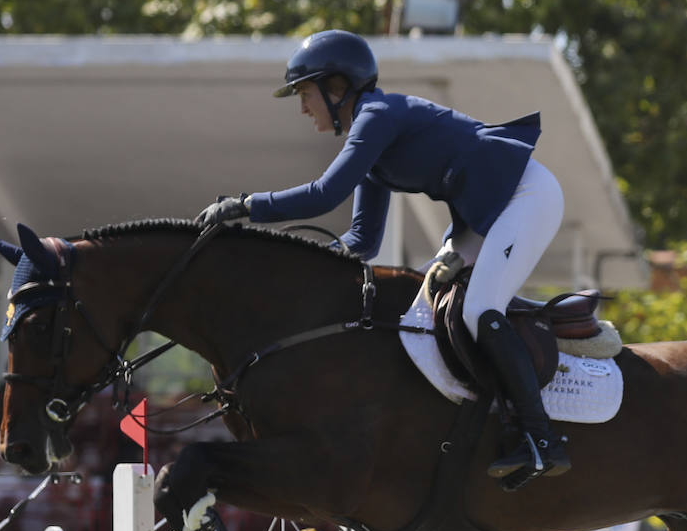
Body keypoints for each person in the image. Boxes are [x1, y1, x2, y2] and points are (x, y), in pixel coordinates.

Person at [198, 29, 570, 489]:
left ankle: (541, 438)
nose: (303, 107)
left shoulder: (377, 116)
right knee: (430, 305)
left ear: (337, 88)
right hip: (487, 213)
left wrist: (246, 205)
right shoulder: (374, 145)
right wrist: (295, 273)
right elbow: (360, 241)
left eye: (305, 93)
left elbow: (324, 193)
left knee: (478, 309)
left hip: (526, 196)